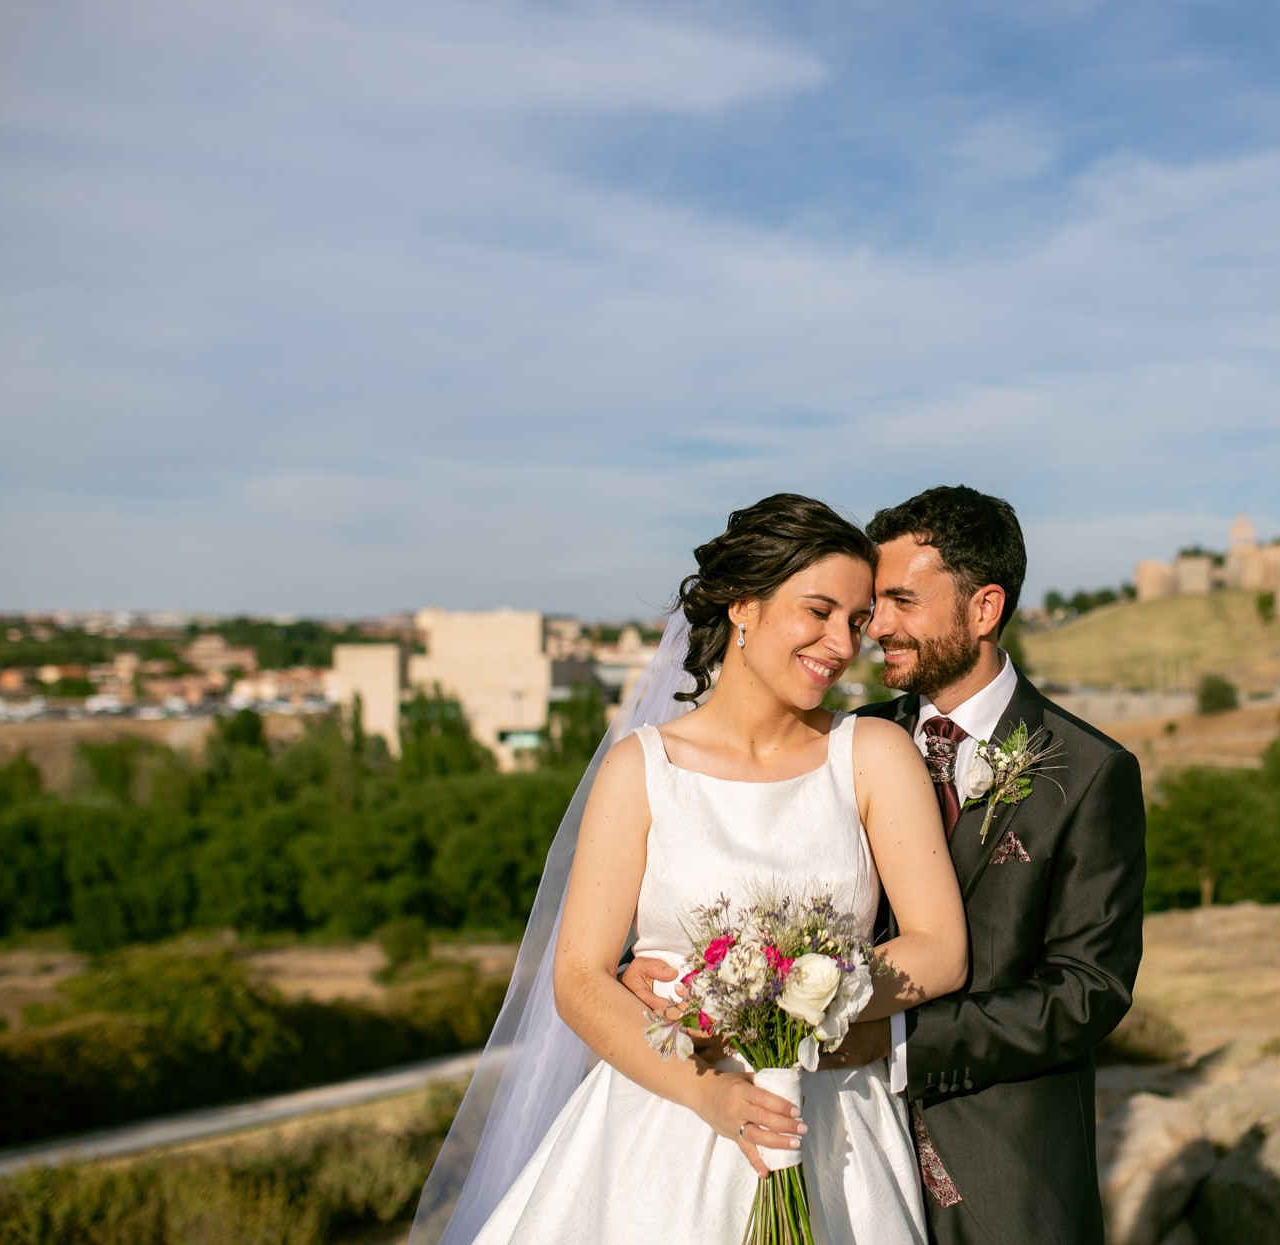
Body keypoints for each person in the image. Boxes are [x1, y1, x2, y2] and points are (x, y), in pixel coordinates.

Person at [411, 493, 968, 1245]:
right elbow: (578, 978)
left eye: (857, 620)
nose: (842, 643)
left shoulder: (872, 754)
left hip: (833, 1123)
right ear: (743, 605)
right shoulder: (641, 768)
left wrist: (786, 1009)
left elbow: (940, 949)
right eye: (819, 611)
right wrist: (707, 1094)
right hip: (664, 1126)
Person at [630, 485, 1146, 1245]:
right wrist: (664, 971)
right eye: (873, 607)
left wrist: (897, 1040)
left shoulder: (1091, 770)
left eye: (901, 602)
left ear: (984, 608)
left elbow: (1086, 991)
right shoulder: (846, 741)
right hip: (831, 1143)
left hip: (1003, 1171)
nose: (874, 630)